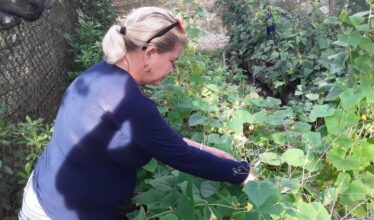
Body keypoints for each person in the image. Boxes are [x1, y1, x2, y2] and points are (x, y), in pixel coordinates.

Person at [19, 7, 257, 220]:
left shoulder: (101, 75)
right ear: (150, 53)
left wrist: (205, 149)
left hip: (45, 191)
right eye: (173, 60)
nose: (173, 70)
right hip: (59, 211)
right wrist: (241, 173)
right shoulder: (126, 101)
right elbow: (181, 156)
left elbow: (155, 138)